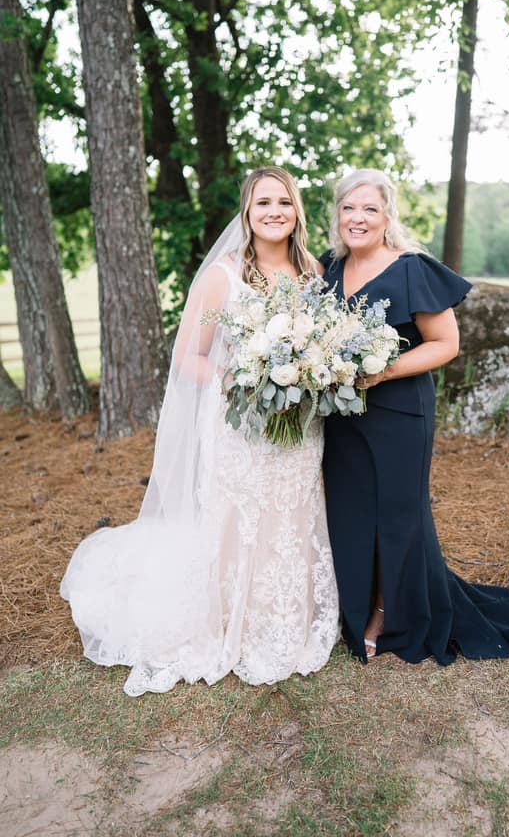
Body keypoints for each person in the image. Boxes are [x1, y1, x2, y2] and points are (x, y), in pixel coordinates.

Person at [61, 167, 340, 696]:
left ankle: (286, 618)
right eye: (263, 202)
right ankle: (227, 622)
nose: (275, 211)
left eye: (284, 201)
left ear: (297, 211)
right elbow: (189, 356)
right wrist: (239, 379)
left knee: (291, 514)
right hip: (239, 426)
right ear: (247, 213)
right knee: (237, 520)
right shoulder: (223, 276)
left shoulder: (315, 274)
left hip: (299, 427)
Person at [321, 168, 509, 664]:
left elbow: (446, 344)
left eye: (370, 208)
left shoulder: (411, 269)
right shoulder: (327, 268)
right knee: (349, 511)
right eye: (349, 208)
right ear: (337, 214)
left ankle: (388, 614)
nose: (358, 218)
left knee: (397, 515)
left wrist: (383, 371)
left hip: (399, 412)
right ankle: (352, 605)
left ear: (387, 216)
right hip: (342, 416)